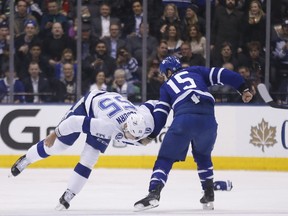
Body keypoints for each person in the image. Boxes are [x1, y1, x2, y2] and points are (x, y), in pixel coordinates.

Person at [134, 56, 253, 211]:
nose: (164, 77)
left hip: (185, 118)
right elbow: (223, 73)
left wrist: (151, 135)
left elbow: (161, 114)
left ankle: (153, 193)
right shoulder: (196, 71)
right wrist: (243, 88)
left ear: (169, 71)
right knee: (203, 156)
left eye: (164, 74)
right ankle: (209, 192)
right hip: (209, 120)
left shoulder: (166, 86)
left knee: (165, 158)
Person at [10, 89, 155, 210]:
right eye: (130, 135)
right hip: (89, 105)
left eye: (137, 136)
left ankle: (69, 194)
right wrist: (54, 134)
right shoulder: (107, 126)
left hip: (109, 106)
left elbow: (152, 104)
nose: (132, 139)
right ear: (124, 127)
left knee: (90, 157)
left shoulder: (145, 121)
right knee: (59, 145)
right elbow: (73, 122)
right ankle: (27, 158)